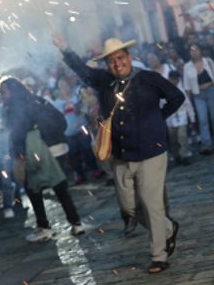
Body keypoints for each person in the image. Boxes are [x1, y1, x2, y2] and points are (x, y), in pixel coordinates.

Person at [53, 35, 183, 274]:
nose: (117, 64)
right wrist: (65, 49)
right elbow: (83, 71)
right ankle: (167, 228)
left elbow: (177, 97)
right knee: (130, 208)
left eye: (120, 58)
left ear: (129, 58)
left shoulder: (148, 78)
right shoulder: (104, 82)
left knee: (151, 204)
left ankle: (159, 255)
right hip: (122, 155)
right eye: (111, 61)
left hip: (151, 152)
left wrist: (158, 119)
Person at [0, 77, 85, 242]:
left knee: (33, 188)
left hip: (36, 149)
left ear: (12, 90)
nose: (1, 95)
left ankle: (44, 227)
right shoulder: (37, 99)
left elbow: (18, 132)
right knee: (60, 186)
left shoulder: (15, 107)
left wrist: (19, 156)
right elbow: (60, 119)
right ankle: (76, 223)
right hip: (56, 148)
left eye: (3, 92)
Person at [182, 44, 214, 155]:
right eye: (192, 50)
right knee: (203, 119)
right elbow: (187, 86)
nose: (194, 52)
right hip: (198, 95)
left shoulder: (208, 61)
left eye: (196, 49)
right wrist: (188, 102)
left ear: (200, 50)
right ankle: (207, 144)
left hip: (211, 91)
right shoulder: (187, 66)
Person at [166, 70, 195, 166]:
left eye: (176, 79)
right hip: (170, 119)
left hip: (182, 117)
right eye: (173, 79)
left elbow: (188, 105)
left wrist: (192, 117)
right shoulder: (163, 91)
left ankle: (185, 156)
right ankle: (176, 156)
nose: (175, 81)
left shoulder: (181, 90)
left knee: (182, 137)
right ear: (169, 79)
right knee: (173, 140)